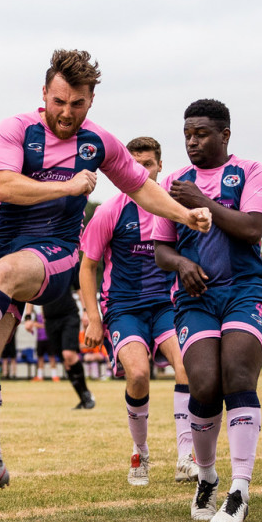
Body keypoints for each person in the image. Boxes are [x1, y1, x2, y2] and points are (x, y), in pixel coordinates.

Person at [0, 49, 211, 507]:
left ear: (90, 101)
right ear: (44, 96)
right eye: (58, 101)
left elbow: (143, 188)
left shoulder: (99, 142)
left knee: (8, 273)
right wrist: (69, 186)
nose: (66, 113)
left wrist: (184, 215)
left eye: (77, 104)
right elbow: (4, 184)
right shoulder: (16, 129)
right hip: (7, 257)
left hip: (55, 254)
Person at [152, 99, 262, 522]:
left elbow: (251, 229)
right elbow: (161, 247)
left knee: (239, 375)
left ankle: (239, 490)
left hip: (244, 291)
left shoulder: (251, 172)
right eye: (187, 134)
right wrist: (182, 265)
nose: (192, 141)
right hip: (196, 299)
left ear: (224, 135)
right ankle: (207, 478)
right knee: (203, 384)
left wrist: (202, 200)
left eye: (201, 133)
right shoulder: (173, 182)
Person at [79, 136, 197, 487]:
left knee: (187, 366)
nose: (141, 171)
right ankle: (140, 451)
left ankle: (185, 456)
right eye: (134, 165)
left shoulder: (175, 209)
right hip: (124, 308)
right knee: (139, 375)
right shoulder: (110, 211)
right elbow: (88, 267)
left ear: (159, 166)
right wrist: (93, 318)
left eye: (147, 164)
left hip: (167, 306)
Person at [39, 279, 95, 409]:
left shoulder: (69, 261)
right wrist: (29, 316)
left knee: (69, 354)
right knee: (66, 362)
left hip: (68, 316)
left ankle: (86, 393)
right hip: (50, 320)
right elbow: (32, 292)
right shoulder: (39, 262)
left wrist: (86, 311)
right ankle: (83, 399)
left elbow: (80, 288)